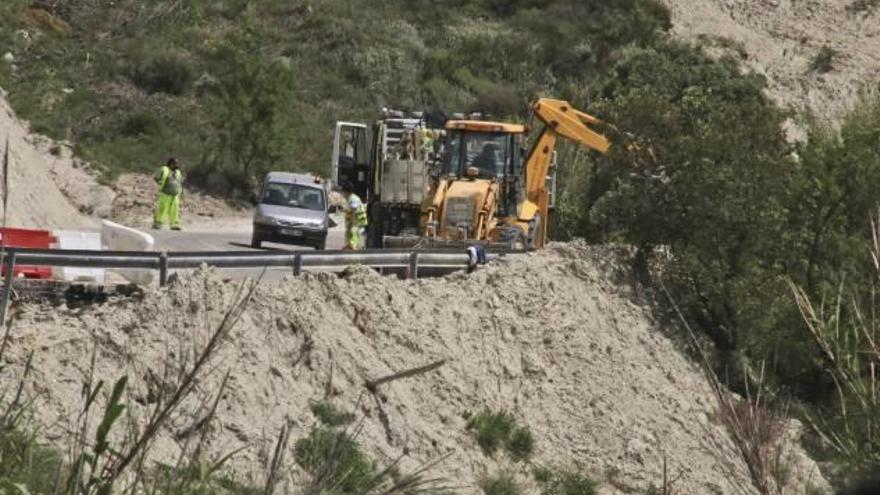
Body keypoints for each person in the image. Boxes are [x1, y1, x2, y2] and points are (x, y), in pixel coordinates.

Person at [153, 157, 183, 230]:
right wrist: (160, 183)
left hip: (175, 194)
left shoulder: (178, 172)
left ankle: (174, 225)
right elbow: (156, 177)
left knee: (175, 210)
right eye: (175, 163)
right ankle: (157, 223)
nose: (177, 165)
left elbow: (179, 182)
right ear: (171, 163)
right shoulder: (164, 169)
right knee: (162, 209)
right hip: (165, 193)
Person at [340, 181, 368, 250]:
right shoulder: (350, 199)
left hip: (356, 224)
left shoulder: (353, 199)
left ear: (346, 191)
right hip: (354, 224)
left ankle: (352, 251)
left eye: (343, 192)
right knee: (350, 237)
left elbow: (353, 212)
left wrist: (351, 224)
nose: (342, 194)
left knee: (354, 240)